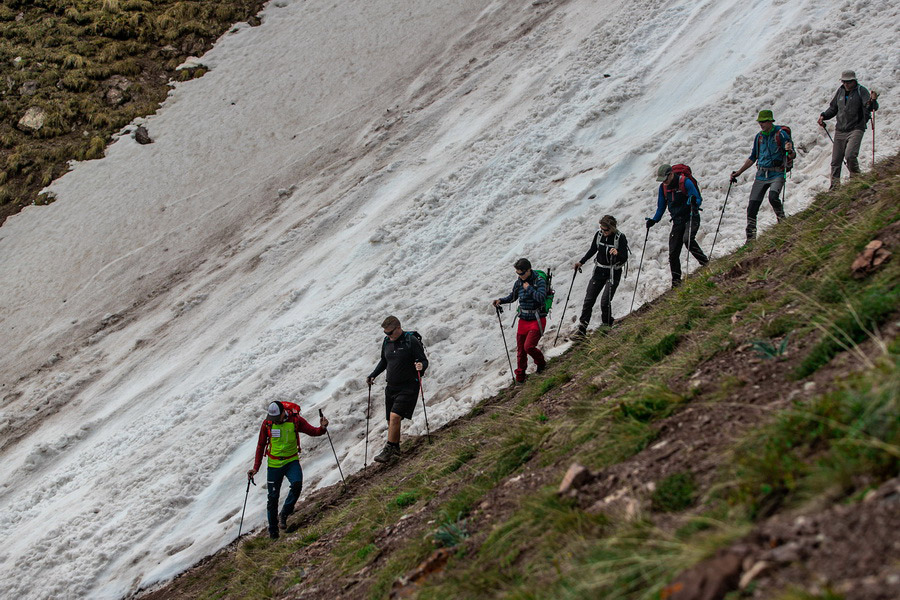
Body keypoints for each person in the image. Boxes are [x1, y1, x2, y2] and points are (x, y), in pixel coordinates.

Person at [247, 401, 328, 539]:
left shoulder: (295, 420)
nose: (274, 421)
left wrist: (322, 428)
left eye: (276, 418)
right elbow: (261, 445)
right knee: (272, 499)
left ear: (283, 412)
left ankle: (284, 513)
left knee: (297, 485)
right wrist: (256, 467)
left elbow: (312, 431)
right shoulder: (267, 423)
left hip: (291, 461)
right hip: (274, 464)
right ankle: (273, 533)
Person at [366, 316, 428, 463]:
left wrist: (421, 366)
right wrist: (373, 375)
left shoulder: (410, 340)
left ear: (398, 328)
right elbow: (384, 361)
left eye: (390, 332)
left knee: (395, 417)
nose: (387, 336)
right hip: (391, 387)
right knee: (391, 421)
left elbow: (423, 360)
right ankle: (396, 449)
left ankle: (390, 448)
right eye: (385, 333)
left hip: (408, 386)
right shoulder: (387, 341)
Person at [730, 110, 796, 240]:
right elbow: (753, 157)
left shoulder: (781, 135)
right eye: (760, 122)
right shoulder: (758, 137)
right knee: (752, 207)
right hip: (761, 174)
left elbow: (792, 155)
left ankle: (783, 222)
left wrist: (790, 150)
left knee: (773, 197)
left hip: (777, 172)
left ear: (771, 121)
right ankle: (750, 238)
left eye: (764, 121)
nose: (762, 124)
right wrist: (739, 172)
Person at [645, 165, 709, 287]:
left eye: (665, 179)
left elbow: (698, 199)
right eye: (662, 180)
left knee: (688, 239)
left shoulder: (685, 182)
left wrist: (695, 201)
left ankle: (705, 262)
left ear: (671, 174)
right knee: (673, 252)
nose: (664, 182)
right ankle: (676, 282)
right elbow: (661, 207)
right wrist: (654, 220)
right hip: (677, 221)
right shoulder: (663, 188)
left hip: (691, 216)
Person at [817, 70, 879, 189]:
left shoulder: (862, 91)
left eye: (848, 82)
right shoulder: (840, 91)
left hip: (856, 128)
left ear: (854, 81)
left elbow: (871, 107)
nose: (846, 84)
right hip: (840, 129)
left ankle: (856, 180)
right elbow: (833, 108)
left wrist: (873, 100)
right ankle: (834, 188)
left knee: (850, 155)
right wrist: (824, 115)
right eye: (844, 81)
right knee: (835, 161)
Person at [492, 258, 547, 382]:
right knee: (521, 350)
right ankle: (520, 377)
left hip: (537, 319)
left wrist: (529, 289)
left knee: (529, 347)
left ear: (528, 270)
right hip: (523, 320)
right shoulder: (518, 282)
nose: (520, 276)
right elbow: (513, 296)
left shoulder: (539, 281)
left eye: (521, 273)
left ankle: (541, 363)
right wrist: (501, 300)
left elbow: (541, 298)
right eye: (517, 273)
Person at [573, 215, 629, 337]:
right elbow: (593, 249)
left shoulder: (620, 238)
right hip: (599, 271)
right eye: (602, 229)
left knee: (605, 301)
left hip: (613, 272)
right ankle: (582, 329)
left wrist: (617, 253)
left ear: (613, 228)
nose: (603, 232)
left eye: (606, 230)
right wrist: (581, 262)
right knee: (589, 299)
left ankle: (607, 325)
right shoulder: (598, 235)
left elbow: (624, 257)